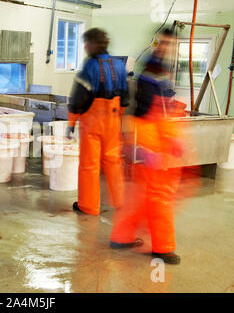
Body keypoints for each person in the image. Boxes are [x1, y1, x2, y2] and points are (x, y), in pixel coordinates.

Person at [110, 28, 184, 264]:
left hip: (153, 137)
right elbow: (146, 112)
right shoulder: (151, 71)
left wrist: (172, 138)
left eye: (170, 44)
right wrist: (145, 148)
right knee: (159, 196)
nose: (166, 48)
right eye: (163, 43)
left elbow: (163, 109)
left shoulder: (159, 70)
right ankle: (162, 247)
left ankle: (121, 236)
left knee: (141, 195)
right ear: (157, 44)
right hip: (149, 138)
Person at [67, 28, 129, 215]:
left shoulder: (89, 67)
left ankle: (89, 206)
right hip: (113, 121)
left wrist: (71, 122)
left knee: (89, 165)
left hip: (92, 123)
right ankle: (120, 202)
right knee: (113, 162)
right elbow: (125, 98)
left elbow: (78, 100)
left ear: (94, 44)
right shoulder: (119, 66)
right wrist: (118, 117)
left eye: (86, 43)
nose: (85, 46)